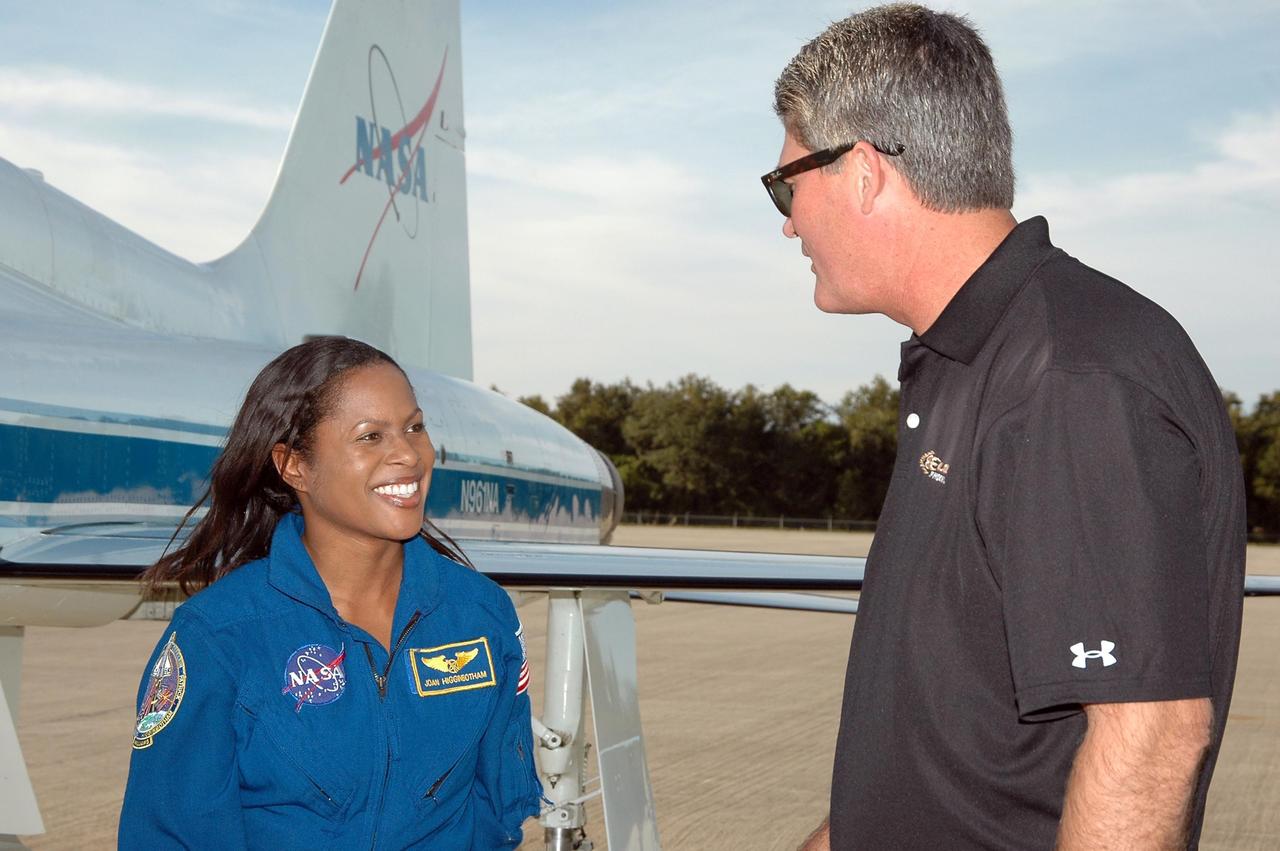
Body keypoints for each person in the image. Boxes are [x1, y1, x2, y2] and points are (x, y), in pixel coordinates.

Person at [762, 5, 1245, 849]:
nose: (787, 221)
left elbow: (1152, 732)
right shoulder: (967, 363)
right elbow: (959, 734)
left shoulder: (1069, 377)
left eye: (787, 184)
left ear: (864, 172)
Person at [118, 337, 541, 849]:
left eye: (414, 427)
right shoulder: (218, 637)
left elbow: (498, 812)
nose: (408, 454)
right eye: (370, 437)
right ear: (294, 465)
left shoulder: (479, 615)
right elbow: (170, 834)